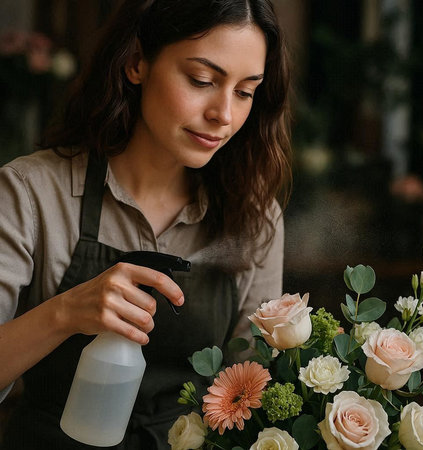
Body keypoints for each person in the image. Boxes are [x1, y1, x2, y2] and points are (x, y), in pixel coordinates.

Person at [0, 0, 292, 448]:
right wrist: (64, 314)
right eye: (202, 80)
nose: (224, 114)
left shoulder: (253, 217)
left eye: (245, 91)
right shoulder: (31, 193)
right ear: (137, 62)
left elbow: (253, 387)